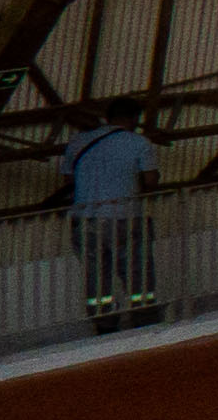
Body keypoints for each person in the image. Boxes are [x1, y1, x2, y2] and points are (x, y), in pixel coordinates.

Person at [63, 110, 157, 332]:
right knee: (136, 272)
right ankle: (143, 318)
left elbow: (68, 180)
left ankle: (103, 322)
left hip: (84, 219)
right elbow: (151, 180)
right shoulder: (139, 142)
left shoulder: (76, 143)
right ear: (133, 118)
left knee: (96, 275)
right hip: (124, 216)